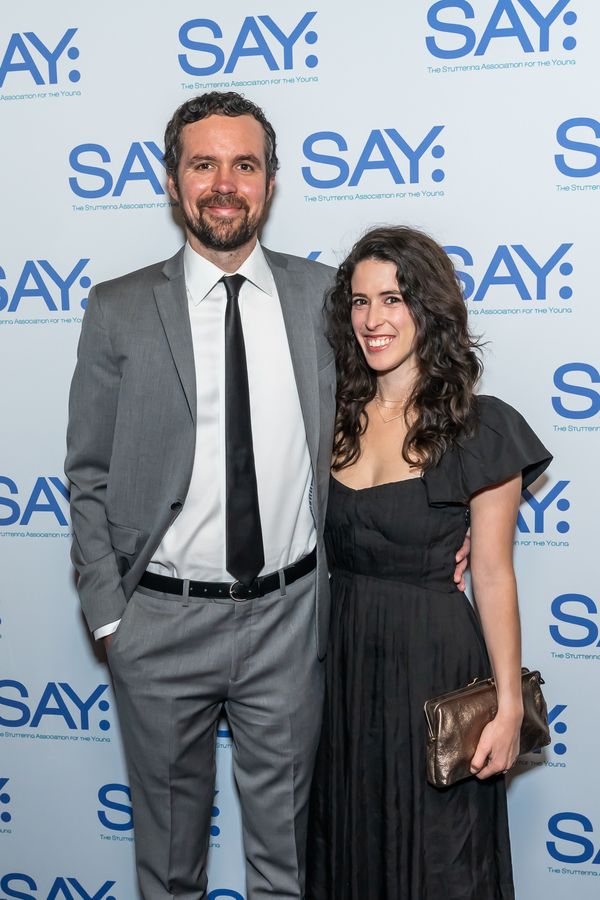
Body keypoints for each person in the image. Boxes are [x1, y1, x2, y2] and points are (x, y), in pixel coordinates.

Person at [64, 91, 338, 900]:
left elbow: (381, 430)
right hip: (159, 626)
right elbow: (88, 473)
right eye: (204, 164)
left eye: (244, 165)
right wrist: (112, 619)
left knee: (287, 865)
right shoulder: (118, 308)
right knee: (170, 870)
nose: (225, 183)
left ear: (271, 181)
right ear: (173, 179)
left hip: (289, 622)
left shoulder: (324, 298)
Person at [306, 226, 552, 900]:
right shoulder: (330, 416)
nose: (374, 319)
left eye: (393, 298)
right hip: (343, 665)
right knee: (346, 842)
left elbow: (495, 574)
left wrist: (506, 708)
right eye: (359, 302)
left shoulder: (478, 427)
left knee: (438, 859)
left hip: (432, 667)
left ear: (428, 306)